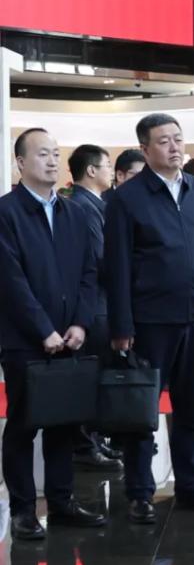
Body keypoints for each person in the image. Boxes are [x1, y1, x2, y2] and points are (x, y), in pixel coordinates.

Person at [104, 113, 194, 524]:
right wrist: (122, 325)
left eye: (178, 138)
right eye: (163, 141)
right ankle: (140, 492)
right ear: (145, 149)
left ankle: (191, 487)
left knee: (193, 407)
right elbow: (117, 265)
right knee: (143, 409)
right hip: (150, 320)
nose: (174, 147)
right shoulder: (127, 198)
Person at [0, 128, 107, 540]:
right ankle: (24, 509)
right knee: (24, 425)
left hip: (70, 335)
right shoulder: (7, 212)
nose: (51, 161)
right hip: (25, 340)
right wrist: (43, 329)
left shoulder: (73, 213)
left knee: (65, 421)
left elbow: (89, 273)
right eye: (42, 154)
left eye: (56, 154)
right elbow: (10, 281)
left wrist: (80, 323)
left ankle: (62, 502)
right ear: (20, 162)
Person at [66, 144, 122, 471]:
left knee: (97, 375)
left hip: (100, 302)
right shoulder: (84, 207)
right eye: (107, 166)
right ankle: (84, 445)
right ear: (91, 170)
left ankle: (94, 440)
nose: (110, 172)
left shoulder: (92, 204)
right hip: (95, 304)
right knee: (89, 375)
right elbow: (99, 258)